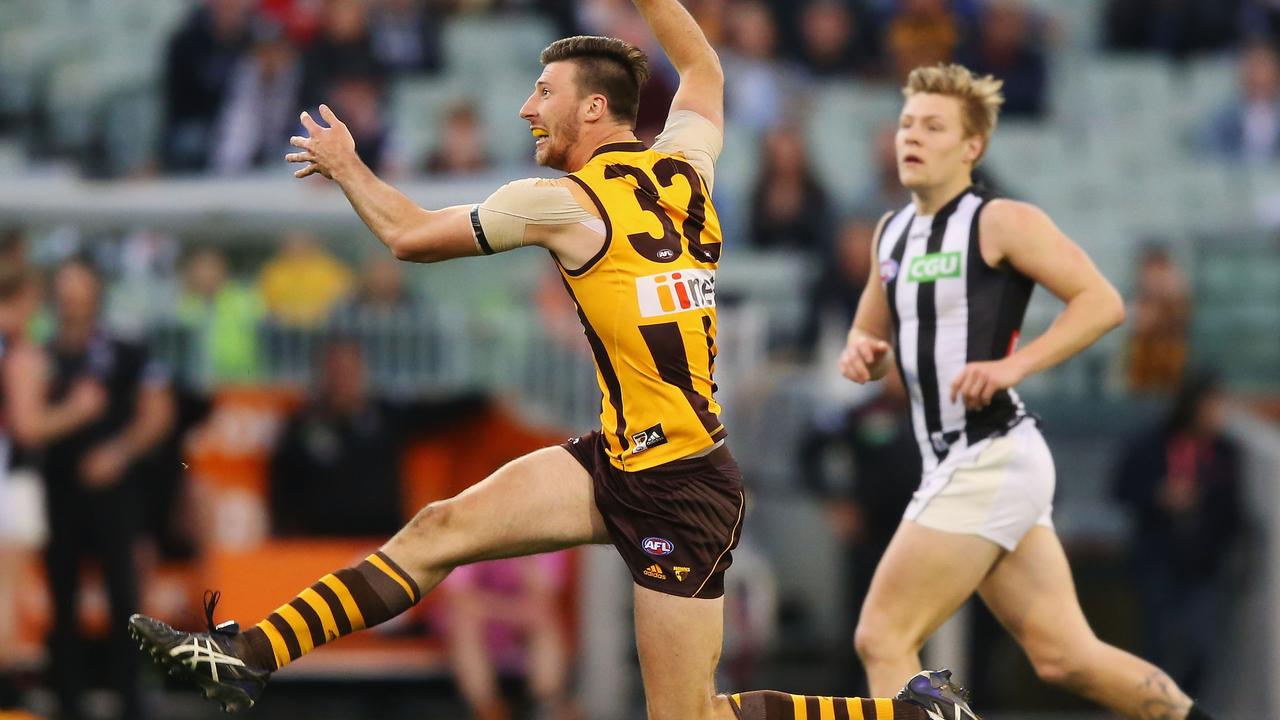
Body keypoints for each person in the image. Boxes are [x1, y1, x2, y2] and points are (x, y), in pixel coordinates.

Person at [129, 4, 977, 719]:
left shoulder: (564, 202)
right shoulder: (686, 164)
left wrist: (349, 168)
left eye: (545, 93)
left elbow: (408, 238)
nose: (529, 108)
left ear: (597, 112)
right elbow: (705, 68)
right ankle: (248, 655)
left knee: (692, 717)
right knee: (438, 531)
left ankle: (905, 712)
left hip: (683, 490)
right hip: (617, 458)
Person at [837, 63, 1217, 720]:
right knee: (1067, 658)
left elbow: (1102, 303)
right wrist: (863, 355)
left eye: (933, 126)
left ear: (972, 147)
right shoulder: (889, 234)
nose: (912, 137)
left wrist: (1015, 367)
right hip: (962, 462)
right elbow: (870, 346)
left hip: (988, 455)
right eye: (905, 124)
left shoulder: (1000, 221)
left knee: (882, 636)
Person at [42, 258, 175, 720]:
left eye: (80, 287)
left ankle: (131, 699)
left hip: (115, 495)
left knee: (124, 595)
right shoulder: (43, 354)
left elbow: (158, 410)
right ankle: (69, 701)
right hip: (57, 491)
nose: (72, 298)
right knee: (63, 596)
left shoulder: (125, 349)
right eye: (65, 288)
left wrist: (118, 453)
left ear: (96, 293)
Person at [1113, 373, 1244, 696]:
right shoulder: (1150, 444)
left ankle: (1183, 707)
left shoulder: (1225, 452)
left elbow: (1233, 510)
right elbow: (1121, 488)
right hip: (1159, 559)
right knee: (1156, 643)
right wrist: (1160, 496)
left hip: (1204, 565)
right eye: (1211, 406)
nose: (1217, 414)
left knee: (1201, 645)